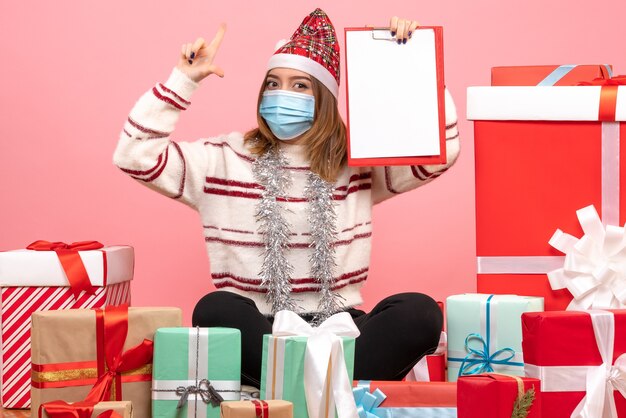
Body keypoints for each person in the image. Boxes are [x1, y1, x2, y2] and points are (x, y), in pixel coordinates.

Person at [114, 8, 460, 389]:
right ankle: (331, 390)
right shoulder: (223, 158)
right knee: (215, 310)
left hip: (343, 326)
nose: (282, 95)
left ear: (324, 99)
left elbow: (441, 153)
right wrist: (183, 82)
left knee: (420, 312)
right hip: (261, 328)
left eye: (299, 86)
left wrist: (408, 61)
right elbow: (134, 156)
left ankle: (293, 389)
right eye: (273, 84)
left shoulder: (356, 162)